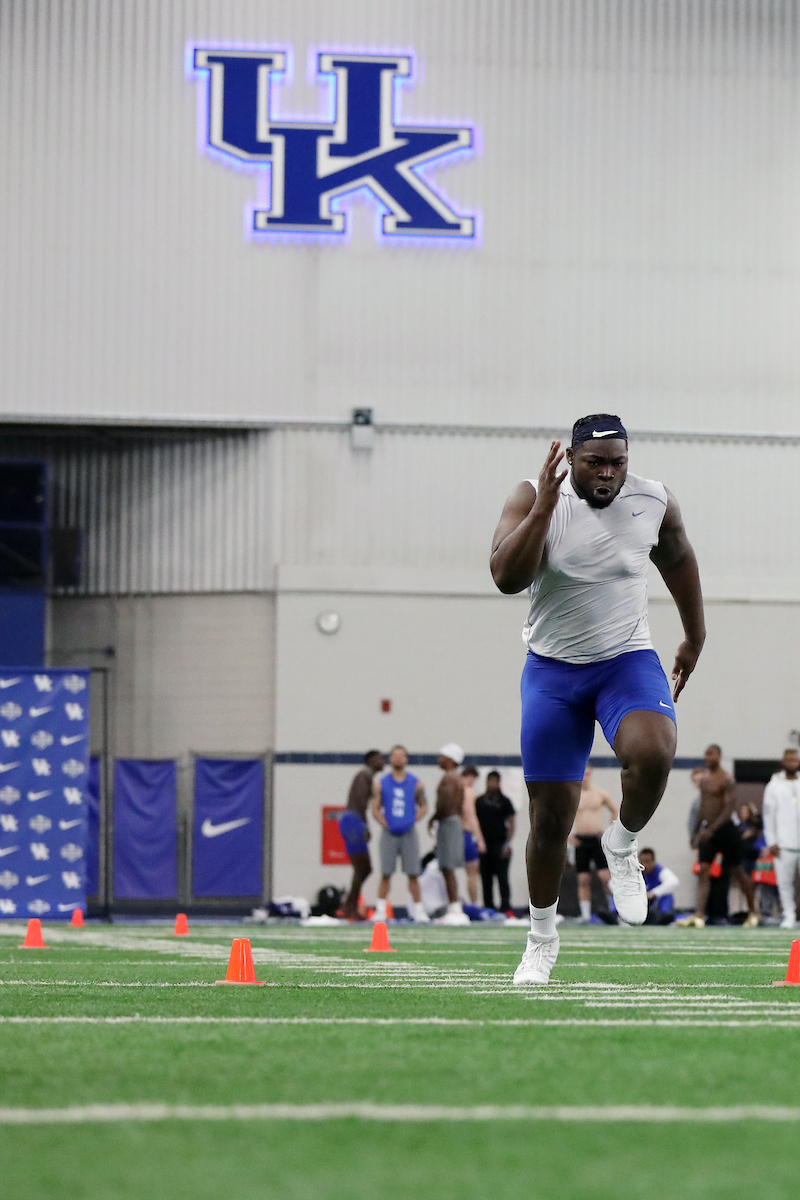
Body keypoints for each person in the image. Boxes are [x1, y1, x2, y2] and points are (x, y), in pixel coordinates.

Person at [490, 414, 705, 985]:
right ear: (572, 460)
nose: (608, 474)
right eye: (596, 463)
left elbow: (678, 558)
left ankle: (623, 846)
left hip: (625, 661)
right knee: (550, 821)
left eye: (618, 463)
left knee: (656, 753)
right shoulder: (535, 495)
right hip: (554, 673)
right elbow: (506, 578)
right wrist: (543, 508)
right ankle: (540, 939)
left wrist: (694, 635)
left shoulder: (653, 501)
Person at [678, 744, 758, 928]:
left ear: (719, 756)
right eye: (706, 755)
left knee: (737, 870)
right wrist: (696, 830)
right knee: (704, 871)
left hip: (725, 830)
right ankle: (699, 915)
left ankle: (753, 912)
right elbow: (703, 807)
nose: (708, 758)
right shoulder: (705, 779)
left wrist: (712, 829)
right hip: (707, 831)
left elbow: (729, 807)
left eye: (711, 755)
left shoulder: (726, 778)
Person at [369, 744, 430, 924]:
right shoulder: (380, 783)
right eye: (394, 755)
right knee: (386, 872)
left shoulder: (415, 783)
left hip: (409, 833)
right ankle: (380, 910)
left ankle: (418, 910)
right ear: (390, 759)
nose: (397, 759)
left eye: (401, 756)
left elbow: (424, 806)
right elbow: (375, 809)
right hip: (389, 833)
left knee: (413, 872)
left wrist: (411, 820)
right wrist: (386, 823)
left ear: (406, 759)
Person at [338, 749, 384, 919]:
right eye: (380, 759)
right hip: (353, 820)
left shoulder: (367, 776)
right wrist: (364, 825)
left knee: (363, 869)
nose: (383, 762)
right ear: (371, 760)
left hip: (353, 820)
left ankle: (350, 905)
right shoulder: (364, 775)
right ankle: (349, 906)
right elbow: (358, 802)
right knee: (363, 868)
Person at [568, 766, 618, 922]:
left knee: (605, 876)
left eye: (587, 774)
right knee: (583, 879)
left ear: (591, 775)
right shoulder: (573, 794)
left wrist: (610, 830)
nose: (585, 777)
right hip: (580, 840)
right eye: (582, 774)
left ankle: (614, 910)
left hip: (597, 839)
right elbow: (563, 814)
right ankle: (585, 915)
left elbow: (615, 809)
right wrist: (569, 835)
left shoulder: (600, 793)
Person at [428, 743, 470, 925]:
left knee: (448, 867)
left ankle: (455, 907)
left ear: (451, 759)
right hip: (448, 822)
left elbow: (446, 804)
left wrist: (434, 817)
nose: (438, 759)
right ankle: (454, 906)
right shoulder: (452, 778)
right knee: (446, 867)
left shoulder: (451, 779)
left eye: (442, 756)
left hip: (449, 822)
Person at [762, 747, 800, 930]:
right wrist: (772, 842)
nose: (792, 762)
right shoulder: (774, 785)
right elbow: (768, 815)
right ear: (783, 762)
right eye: (789, 760)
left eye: (795, 759)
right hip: (783, 844)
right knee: (785, 884)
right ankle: (789, 915)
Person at [476, 771, 516, 911]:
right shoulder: (479, 801)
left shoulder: (504, 801)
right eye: (490, 781)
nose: (492, 784)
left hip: (500, 844)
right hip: (484, 846)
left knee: (502, 878)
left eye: (495, 781)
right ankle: (488, 908)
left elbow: (511, 823)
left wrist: (507, 843)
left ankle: (506, 907)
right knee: (486, 879)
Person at [460, 765, 487, 904]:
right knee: (472, 873)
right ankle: (473, 903)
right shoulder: (468, 791)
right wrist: (480, 840)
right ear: (470, 777)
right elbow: (471, 816)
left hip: (452, 834)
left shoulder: (453, 789)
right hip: (465, 834)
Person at [639, 847, 679, 924]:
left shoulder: (660, 871)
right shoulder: (635, 872)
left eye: (648, 862)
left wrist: (653, 893)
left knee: (667, 893)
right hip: (640, 902)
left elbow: (674, 882)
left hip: (655, 902)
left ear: (654, 861)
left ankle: (664, 915)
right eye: (642, 862)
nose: (644, 865)